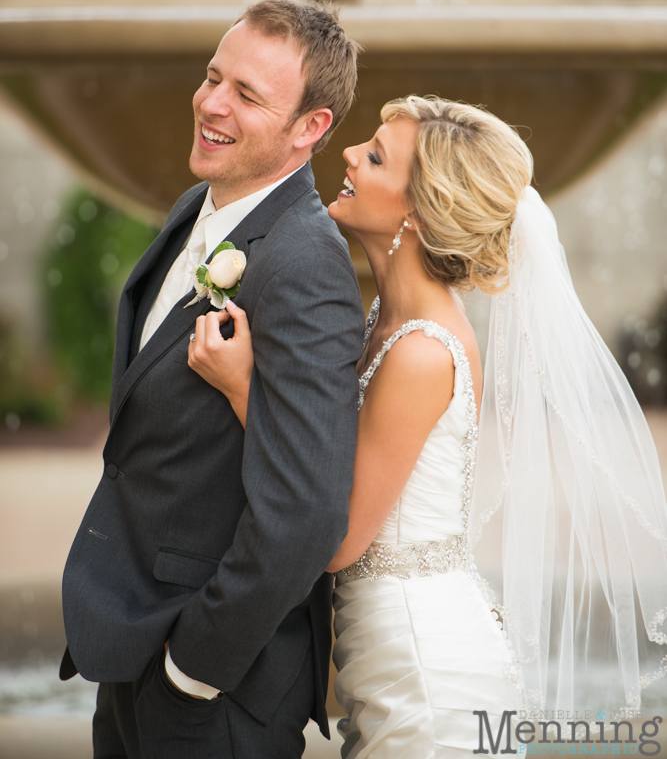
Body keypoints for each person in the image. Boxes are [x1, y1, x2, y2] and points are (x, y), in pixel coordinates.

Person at [196, 95, 667, 757]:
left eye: (376, 156)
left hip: (422, 671)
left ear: (417, 212)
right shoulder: (392, 321)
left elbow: (336, 541)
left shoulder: (420, 351)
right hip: (393, 652)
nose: (351, 155)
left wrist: (244, 389)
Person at [59, 0, 366, 759]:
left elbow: (304, 513)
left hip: (214, 692)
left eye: (247, 94)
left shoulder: (306, 267)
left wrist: (190, 671)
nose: (211, 103)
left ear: (310, 129)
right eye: (211, 75)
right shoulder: (198, 205)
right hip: (131, 637)